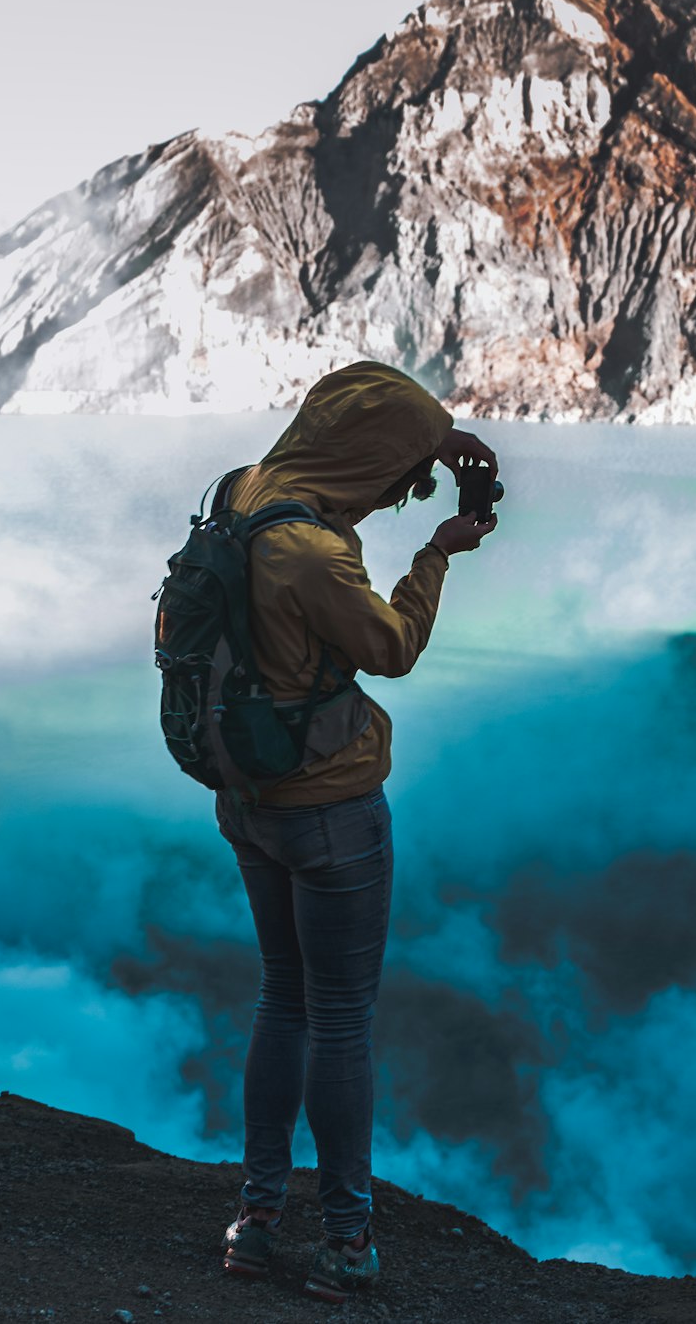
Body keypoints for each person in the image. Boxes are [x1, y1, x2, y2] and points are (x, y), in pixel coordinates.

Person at [215, 360, 498, 1302]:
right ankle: (345, 1242)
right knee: (341, 1021)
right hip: (332, 809)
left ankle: (255, 1222)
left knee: (280, 998)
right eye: (396, 467)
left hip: (247, 800)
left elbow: (316, 521)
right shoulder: (317, 558)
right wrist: (438, 552)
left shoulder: (245, 494)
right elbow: (392, 647)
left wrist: (426, 445)